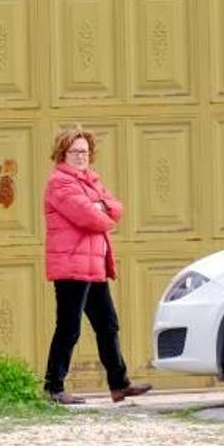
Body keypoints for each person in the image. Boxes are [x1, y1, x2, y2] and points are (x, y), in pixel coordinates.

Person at [43, 125, 151, 404]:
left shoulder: (91, 181)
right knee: (69, 327)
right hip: (71, 267)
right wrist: (100, 208)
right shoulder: (59, 182)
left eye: (85, 151)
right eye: (75, 151)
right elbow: (89, 217)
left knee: (108, 325)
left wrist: (101, 207)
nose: (81, 156)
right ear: (62, 154)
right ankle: (53, 387)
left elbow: (116, 208)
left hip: (94, 266)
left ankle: (119, 383)